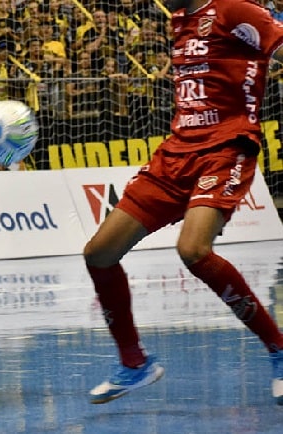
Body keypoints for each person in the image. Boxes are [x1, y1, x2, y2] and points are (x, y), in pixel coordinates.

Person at [83, 0, 283, 406]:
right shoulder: (177, 18)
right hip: (175, 154)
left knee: (193, 250)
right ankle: (134, 363)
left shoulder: (234, 11)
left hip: (227, 147)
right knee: (98, 253)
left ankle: (278, 349)